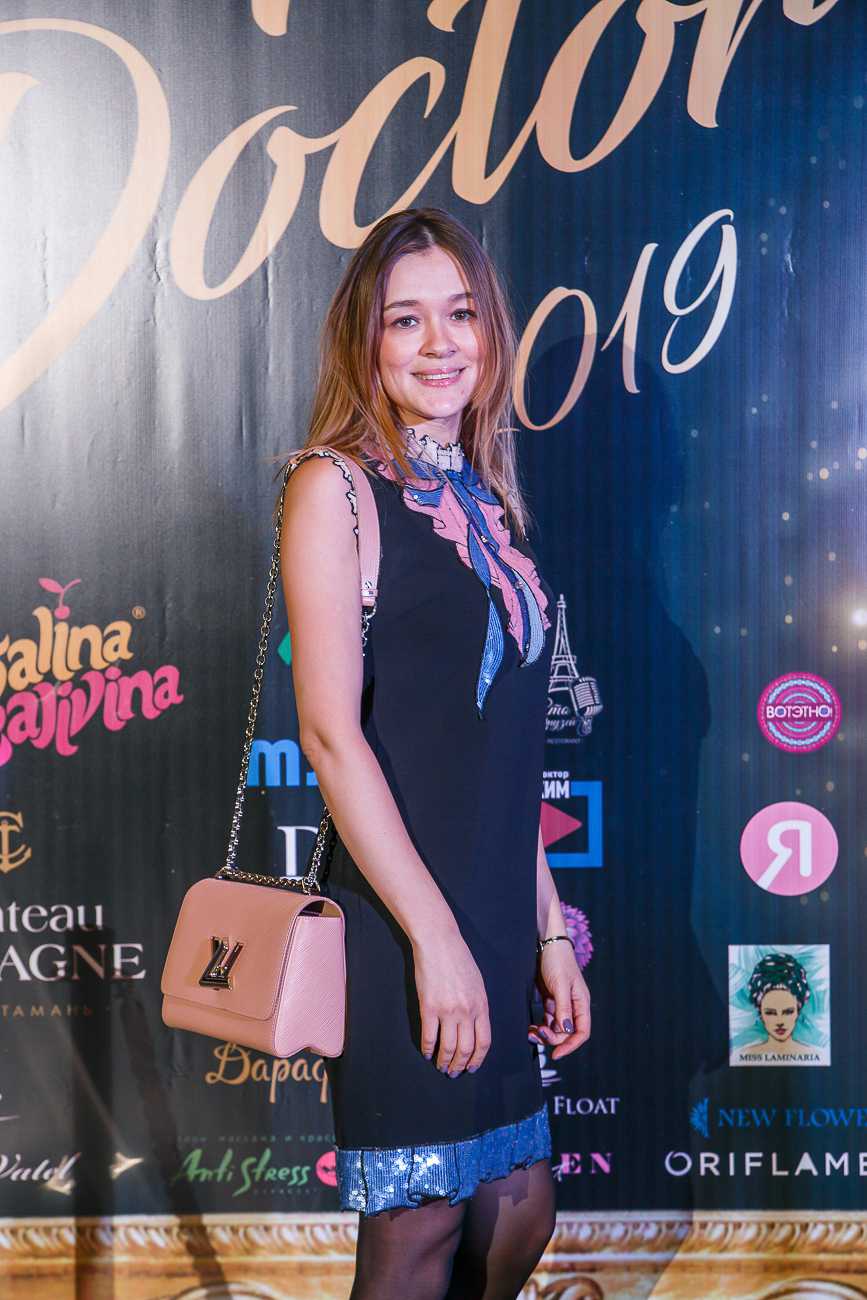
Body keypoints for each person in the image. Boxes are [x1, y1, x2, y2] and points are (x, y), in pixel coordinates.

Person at [277, 207, 591, 1300]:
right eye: (405, 320)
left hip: (496, 915)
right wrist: (435, 939)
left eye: (460, 314)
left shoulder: (487, 501)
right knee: (420, 1229)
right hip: (404, 916)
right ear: (365, 340)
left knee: (516, 1211)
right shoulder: (333, 488)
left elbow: (503, 758)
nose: (439, 343)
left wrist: (546, 929)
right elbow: (331, 735)